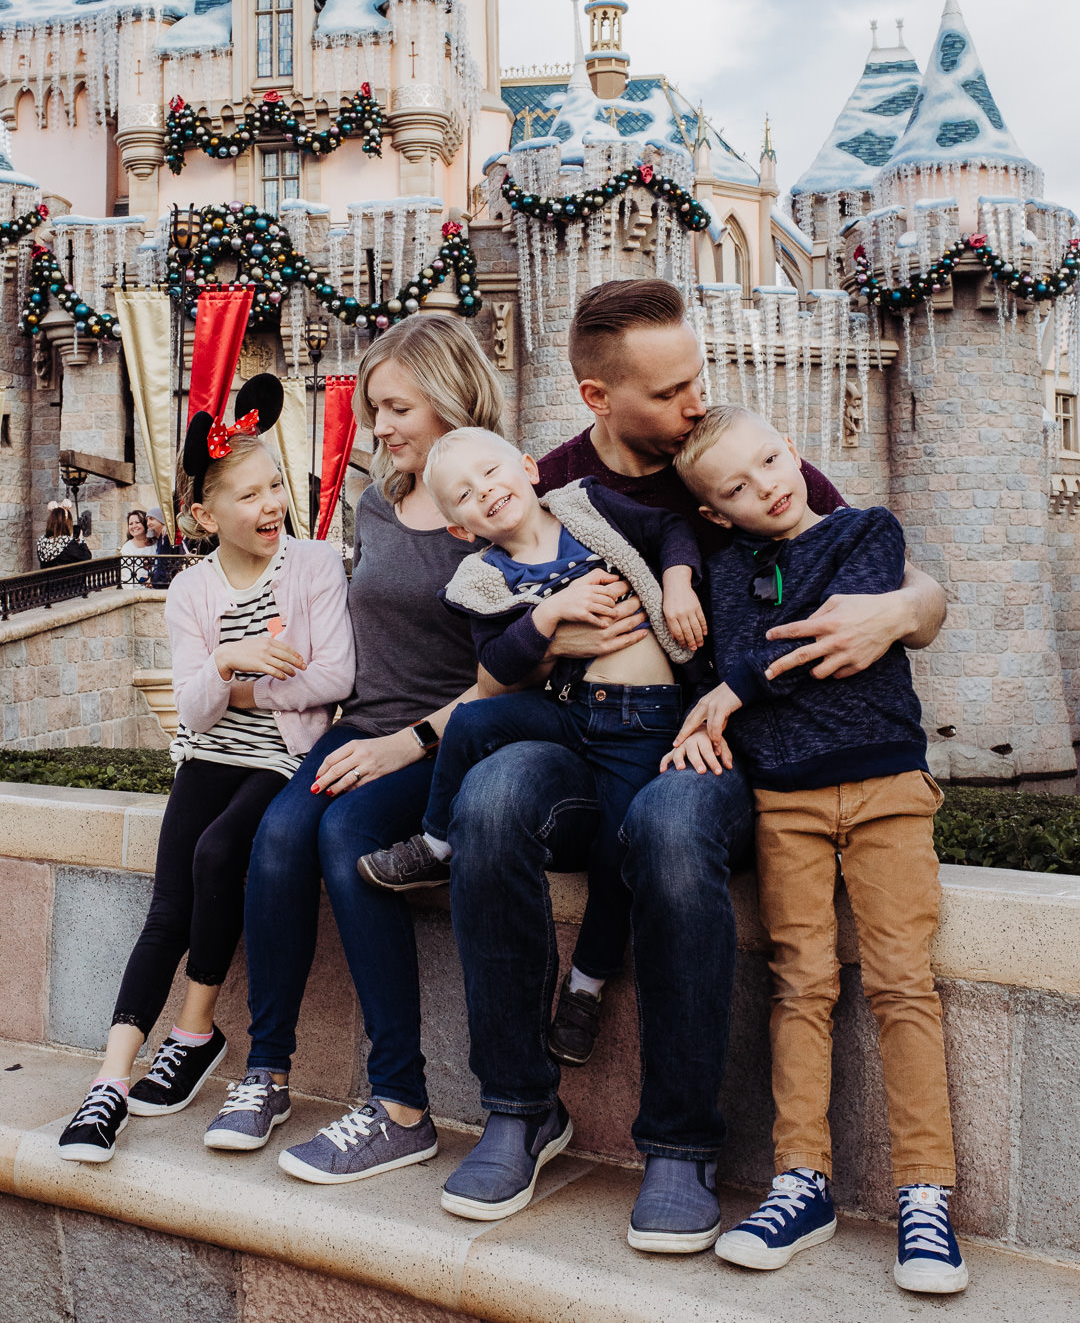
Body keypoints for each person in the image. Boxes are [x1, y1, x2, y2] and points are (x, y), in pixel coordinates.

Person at [440, 277, 948, 1245]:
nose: (695, 404)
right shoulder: (545, 487)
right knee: (492, 799)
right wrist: (555, 635)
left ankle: (679, 1145)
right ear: (598, 397)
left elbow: (891, 573)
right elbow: (490, 667)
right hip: (589, 738)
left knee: (672, 828)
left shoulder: (733, 459)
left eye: (699, 377)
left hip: (728, 753)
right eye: (671, 390)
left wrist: (898, 612)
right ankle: (519, 1108)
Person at [666, 404, 966, 1295]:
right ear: (716, 513)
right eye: (739, 487)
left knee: (903, 982)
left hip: (885, 790)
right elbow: (722, 657)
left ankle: (925, 1192)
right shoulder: (722, 573)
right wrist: (707, 700)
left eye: (770, 460)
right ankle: (803, 1180)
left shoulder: (867, 531)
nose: (767, 485)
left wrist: (738, 685)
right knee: (800, 983)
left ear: (792, 448)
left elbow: (825, 632)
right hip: (784, 802)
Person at [201, 314, 505, 1186]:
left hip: (445, 743)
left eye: (396, 407)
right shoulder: (380, 497)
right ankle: (266, 1072)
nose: (381, 427)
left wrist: (404, 748)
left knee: (347, 840)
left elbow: (511, 677)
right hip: (358, 726)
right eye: (375, 408)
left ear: (450, 394)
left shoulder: (488, 500)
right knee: (277, 839)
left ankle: (401, 1104)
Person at [57, 378, 355, 1165]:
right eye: (249, 493)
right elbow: (193, 711)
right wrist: (227, 657)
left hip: (280, 757)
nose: (270, 504)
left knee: (220, 853)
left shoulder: (315, 564)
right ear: (203, 514)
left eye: (276, 486)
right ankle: (108, 1086)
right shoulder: (190, 589)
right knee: (168, 906)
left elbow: (334, 679)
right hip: (210, 753)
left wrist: (246, 683)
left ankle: (192, 1033)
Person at [359, 426, 704, 1069]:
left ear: (527, 467)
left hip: (645, 719)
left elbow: (670, 531)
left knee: (617, 852)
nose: (485, 492)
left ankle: (586, 987)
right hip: (569, 711)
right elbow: (498, 665)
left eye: (491, 473)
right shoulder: (482, 577)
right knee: (469, 724)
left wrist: (678, 584)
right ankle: (439, 840)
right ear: (459, 528)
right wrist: (550, 614)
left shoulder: (587, 505)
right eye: (463, 494)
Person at [37, 501, 91, 568]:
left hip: (47, 578)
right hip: (65, 578)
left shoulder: (42, 541)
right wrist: (81, 540)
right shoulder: (67, 543)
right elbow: (86, 558)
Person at [146, 505, 186, 589]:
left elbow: (164, 566)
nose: (148, 523)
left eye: (151, 519)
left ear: (161, 520)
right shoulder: (161, 538)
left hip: (166, 586)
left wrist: (153, 581)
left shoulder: (167, 537)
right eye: (147, 520)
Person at [121, 508, 153, 586]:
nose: (134, 526)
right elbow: (126, 576)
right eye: (130, 524)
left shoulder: (155, 544)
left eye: (137, 522)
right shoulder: (127, 548)